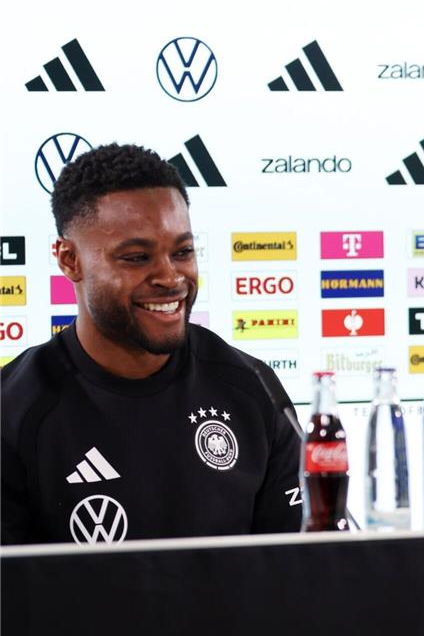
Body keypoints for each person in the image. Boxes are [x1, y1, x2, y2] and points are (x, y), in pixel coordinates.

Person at [1, 144, 301, 544]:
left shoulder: (252, 387)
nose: (170, 277)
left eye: (183, 252)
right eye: (137, 257)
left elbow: (306, 569)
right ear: (69, 260)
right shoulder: (14, 410)